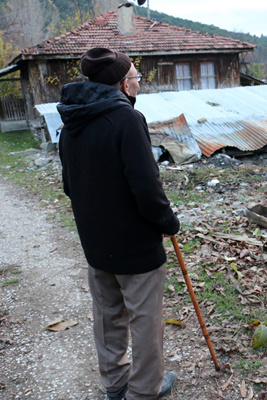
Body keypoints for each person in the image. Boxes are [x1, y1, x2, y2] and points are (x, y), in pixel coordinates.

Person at [57, 47, 180, 400]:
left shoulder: (71, 123)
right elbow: (146, 185)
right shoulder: (126, 119)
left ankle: (114, 383)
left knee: (108, 314)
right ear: (122, 85)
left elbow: (70, 186)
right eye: (136, 77)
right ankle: (144, 391)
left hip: (95, 241)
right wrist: (168, 221)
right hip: (135, 245)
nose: (138, 83)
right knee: (145, 320)